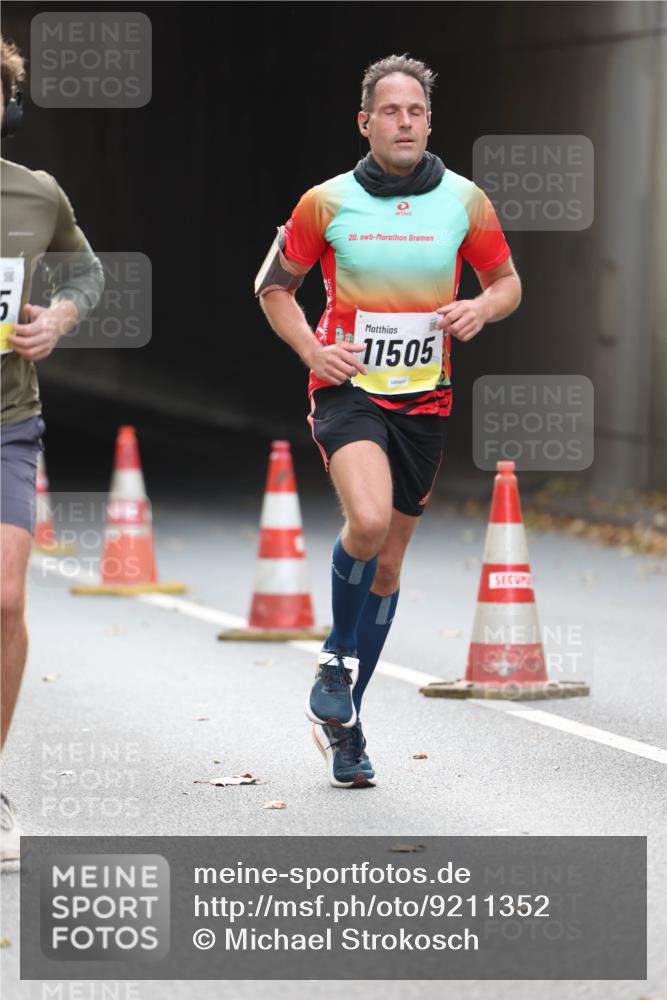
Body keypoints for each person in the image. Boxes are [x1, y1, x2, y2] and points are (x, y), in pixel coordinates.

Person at [255, 53, 521, 789]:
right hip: (348, 392)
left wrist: (479, 306)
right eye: (389, 111)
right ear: (364, 122)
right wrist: (314, 348)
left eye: (416, 111)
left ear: (428, 122)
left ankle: (344, 725)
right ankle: (336, 657)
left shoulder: (464, 202)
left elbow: (506, 282)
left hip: (424, 402)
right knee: (367, 524)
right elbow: (272, 287)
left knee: (390, 567)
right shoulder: (325, 202)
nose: (403, 122)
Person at [1, 34, 104, 859]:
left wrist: (56, 319)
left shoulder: (37, 197)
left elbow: (88, 273)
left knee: (4, 602)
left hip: (7, 421)